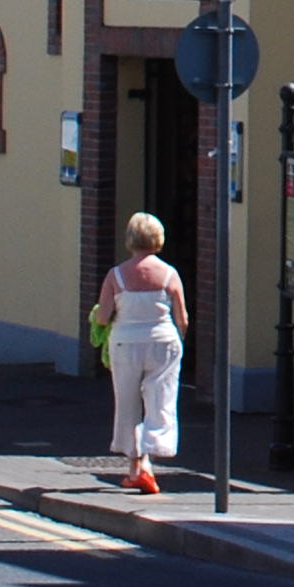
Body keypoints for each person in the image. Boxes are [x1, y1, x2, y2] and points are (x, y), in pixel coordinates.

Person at [97, 212, 188, 495]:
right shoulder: (170, 274)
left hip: (125, 342)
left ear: (130, 239)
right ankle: (148, 463)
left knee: (128, 402)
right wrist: (179, 341)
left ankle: (136, 467)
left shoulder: (116, 275)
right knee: (160, 400)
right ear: (158, 239)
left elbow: (102, 317)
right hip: (163, 341)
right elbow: (182, 317)